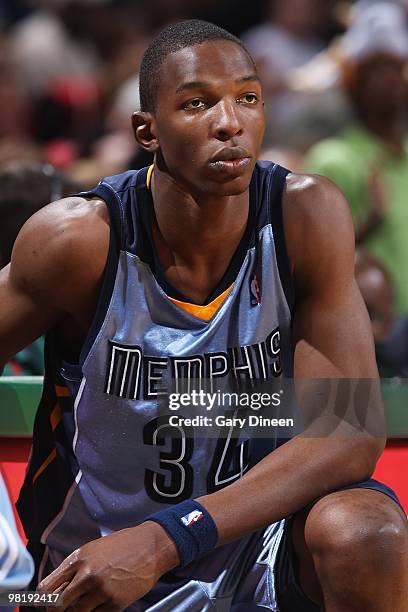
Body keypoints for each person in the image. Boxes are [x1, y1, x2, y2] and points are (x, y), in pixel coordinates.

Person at [0, 20, 407, 612]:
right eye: (197, 103)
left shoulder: (305, 214)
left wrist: (172, 536)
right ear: (147, 130)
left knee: (367, 534)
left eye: (247, 98)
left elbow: (347, 431)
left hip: (249, 549)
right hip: (102, 562)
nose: (229, 122)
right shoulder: (79, 241)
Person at [303, 1, 408, 315]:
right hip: (372, 331)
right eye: (376, 71)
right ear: (353, 85)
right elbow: (311, 258)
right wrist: (369, 225)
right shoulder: (332, 158)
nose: (390, 80)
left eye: (396, 68)